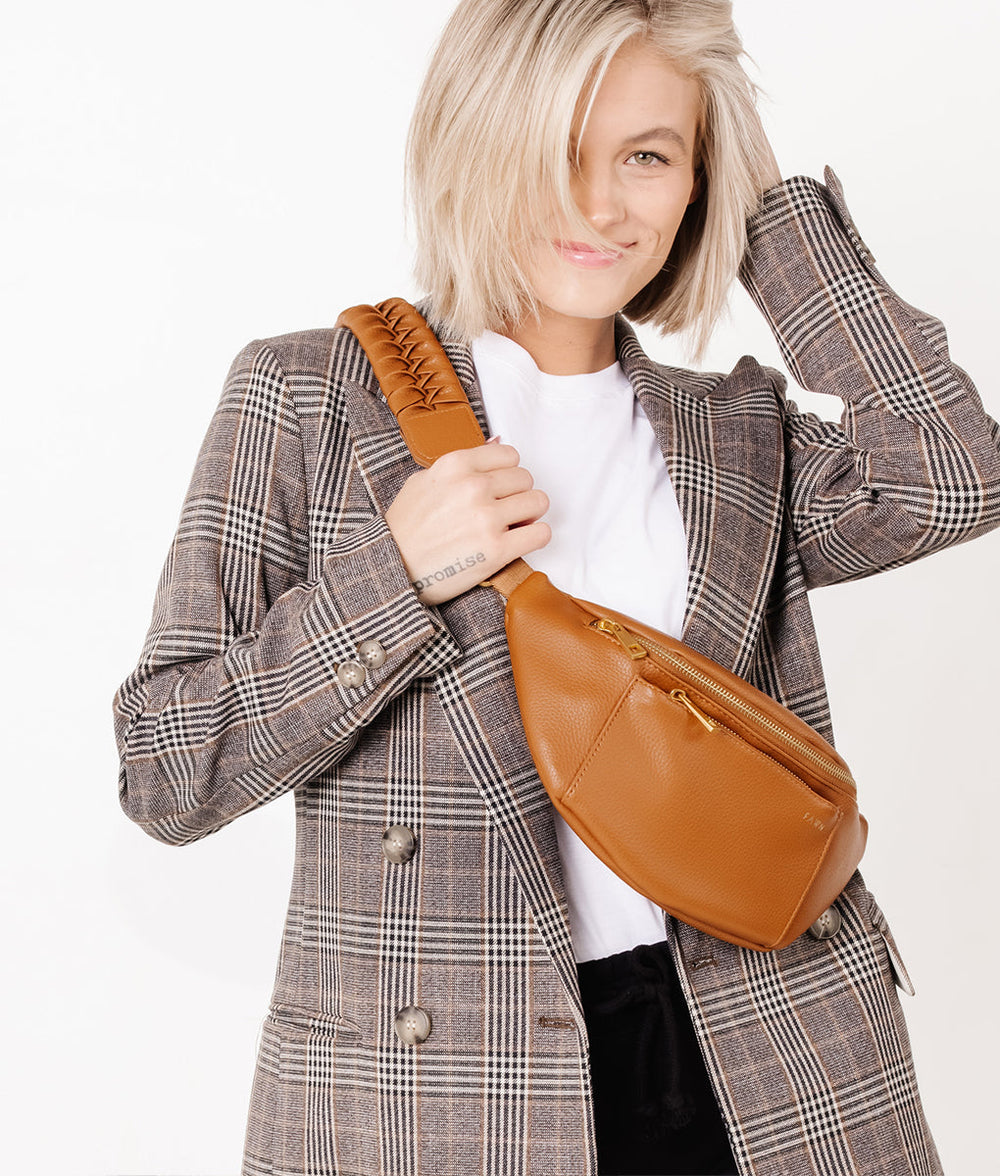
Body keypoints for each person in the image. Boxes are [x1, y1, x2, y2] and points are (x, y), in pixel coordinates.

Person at [112, 1, 1000, 1173]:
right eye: (557, 148)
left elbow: (952, 475)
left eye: (648, 157)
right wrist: (393, 579)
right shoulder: (310, 400)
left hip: (769, 1059)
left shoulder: (736, 434)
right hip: (437, 1096)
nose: (599, 206)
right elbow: (165, 772)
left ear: (699, 182)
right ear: (478, 140)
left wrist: (771, 218)